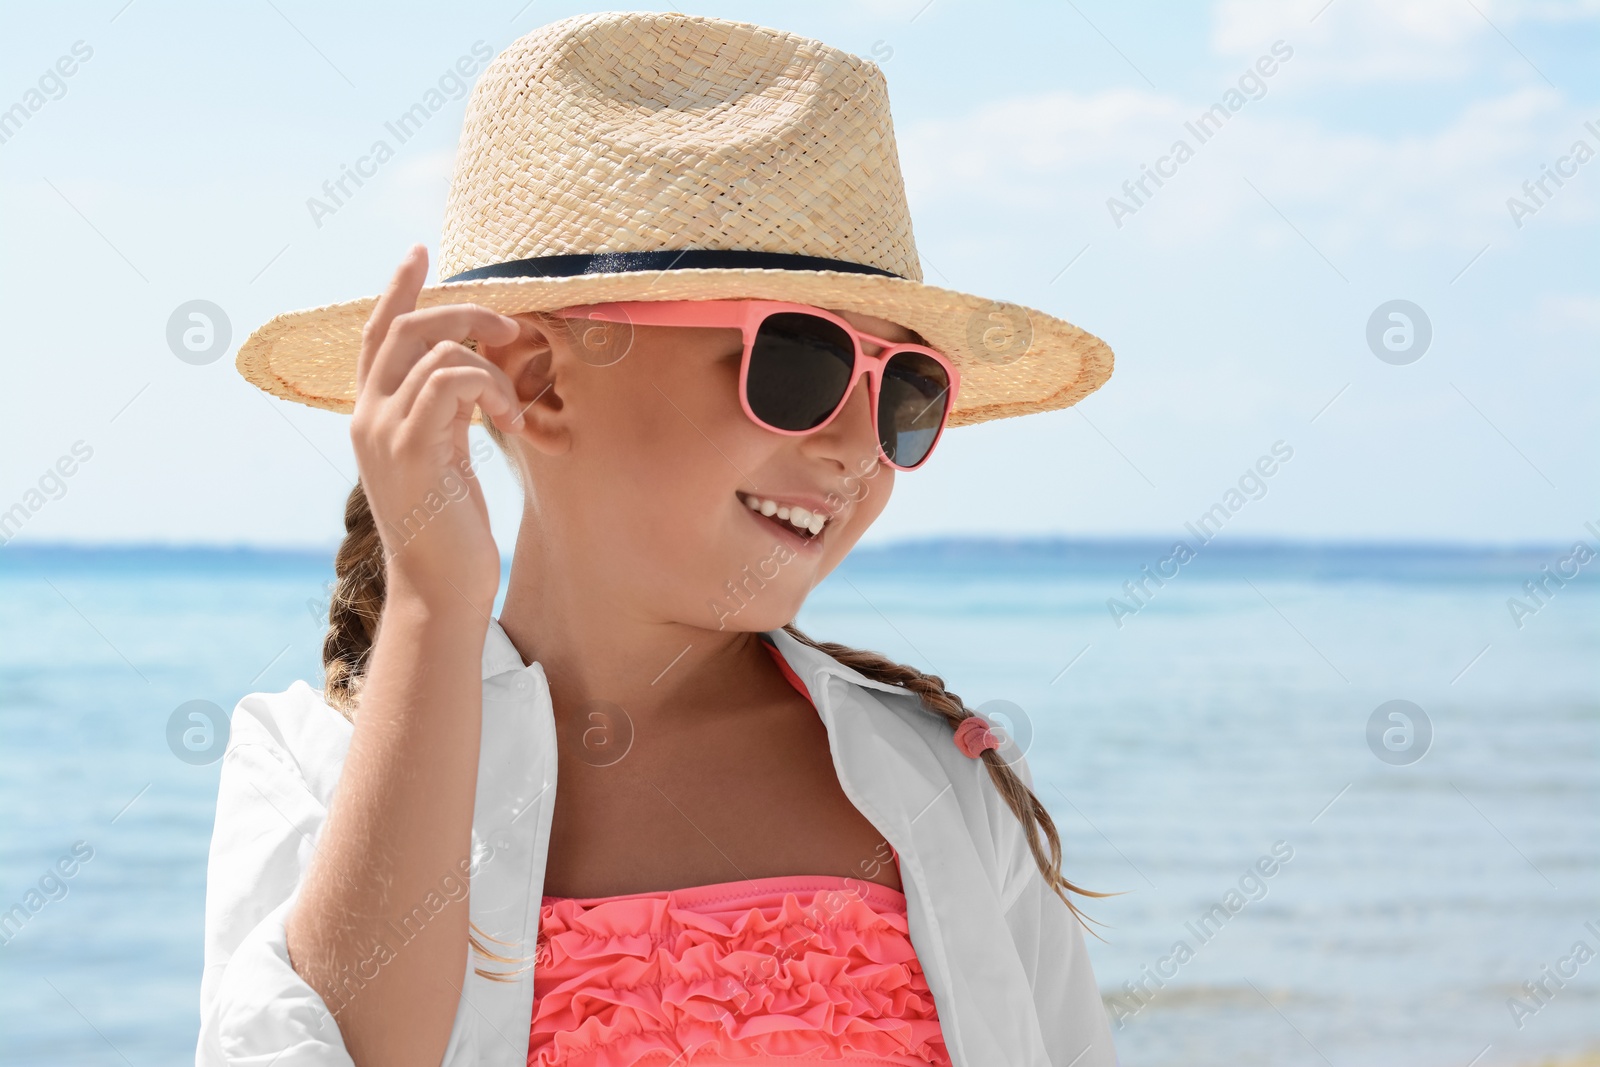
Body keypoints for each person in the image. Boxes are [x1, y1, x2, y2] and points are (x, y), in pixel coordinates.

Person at [199, 11, 1118, 1067]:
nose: (857, 445)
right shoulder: (317, 765)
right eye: (798, 365)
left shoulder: (936, 782)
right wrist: (432, 603)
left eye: (903, 392)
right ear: (539, 383)